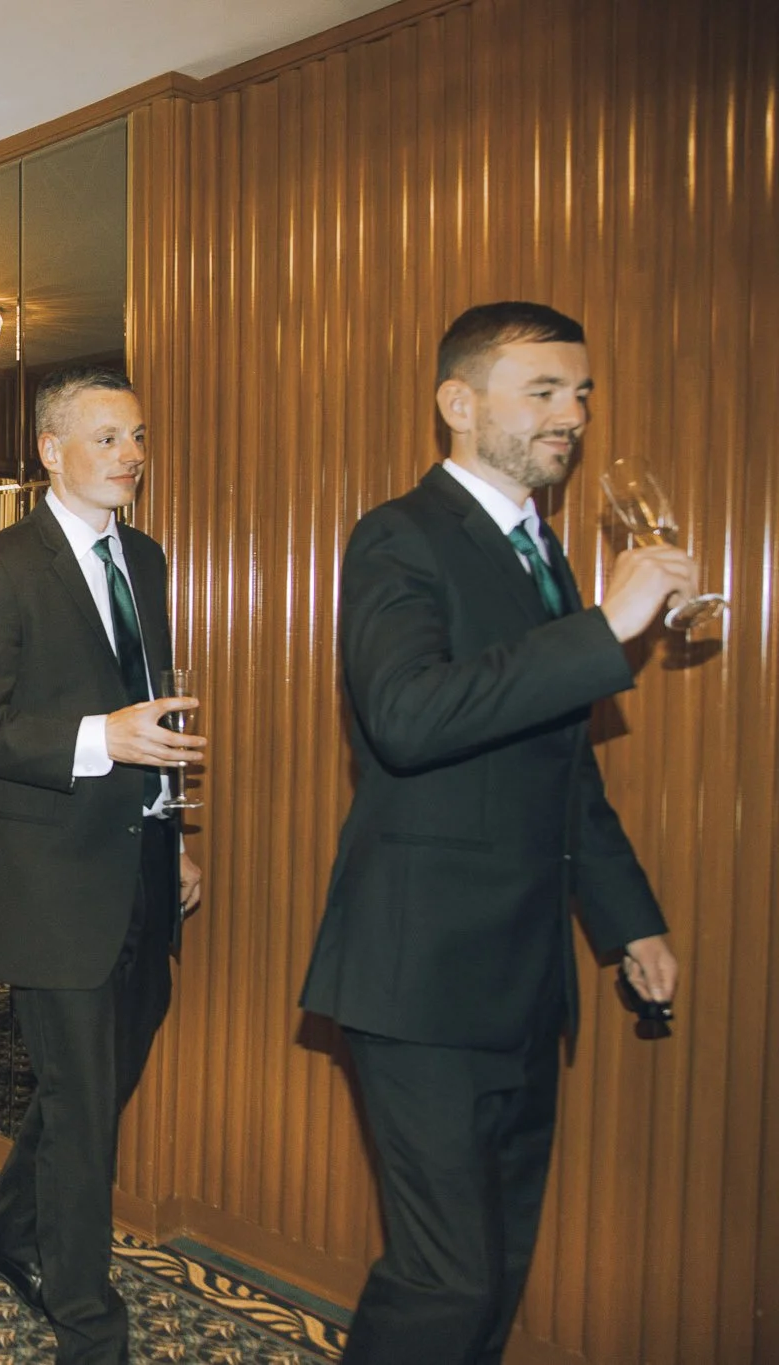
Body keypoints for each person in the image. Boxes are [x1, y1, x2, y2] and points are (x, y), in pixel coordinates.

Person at [300, 302, 687, 1364]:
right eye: (544, 391)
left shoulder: (542, 553)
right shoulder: (398, 535)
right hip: (419, 973)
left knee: (498, 1268)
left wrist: (628, 920)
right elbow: (406, 718)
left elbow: (559, 769)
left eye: (581, 394)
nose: (572, 415)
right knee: (445, 1279)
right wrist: (604, 629)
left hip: (524, 977)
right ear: (458, 404)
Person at [0, 363, 205, 1365]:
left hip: (141, 871)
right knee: (85, 1120)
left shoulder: (149, 561)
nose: (130, 456)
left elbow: (154, 714)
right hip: (50, 887)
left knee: (90, 1086)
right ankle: (89, 1326)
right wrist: (99, 737)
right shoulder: (1, 568)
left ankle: (3, 1230)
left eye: (137, 437)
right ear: (51, 451)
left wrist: (175, 837)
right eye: (106, 438)